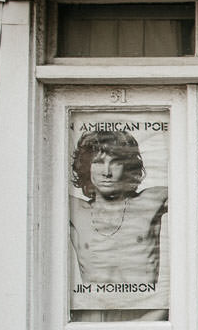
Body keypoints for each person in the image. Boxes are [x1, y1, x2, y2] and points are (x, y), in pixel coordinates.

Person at [69, 126, 169, 319]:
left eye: (115, 163)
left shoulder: (151, 201)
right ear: (87, 166)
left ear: (127, 167)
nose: (106, 172)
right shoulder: (75, 210)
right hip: (93, 320)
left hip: (149, 316)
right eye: (98, 162)